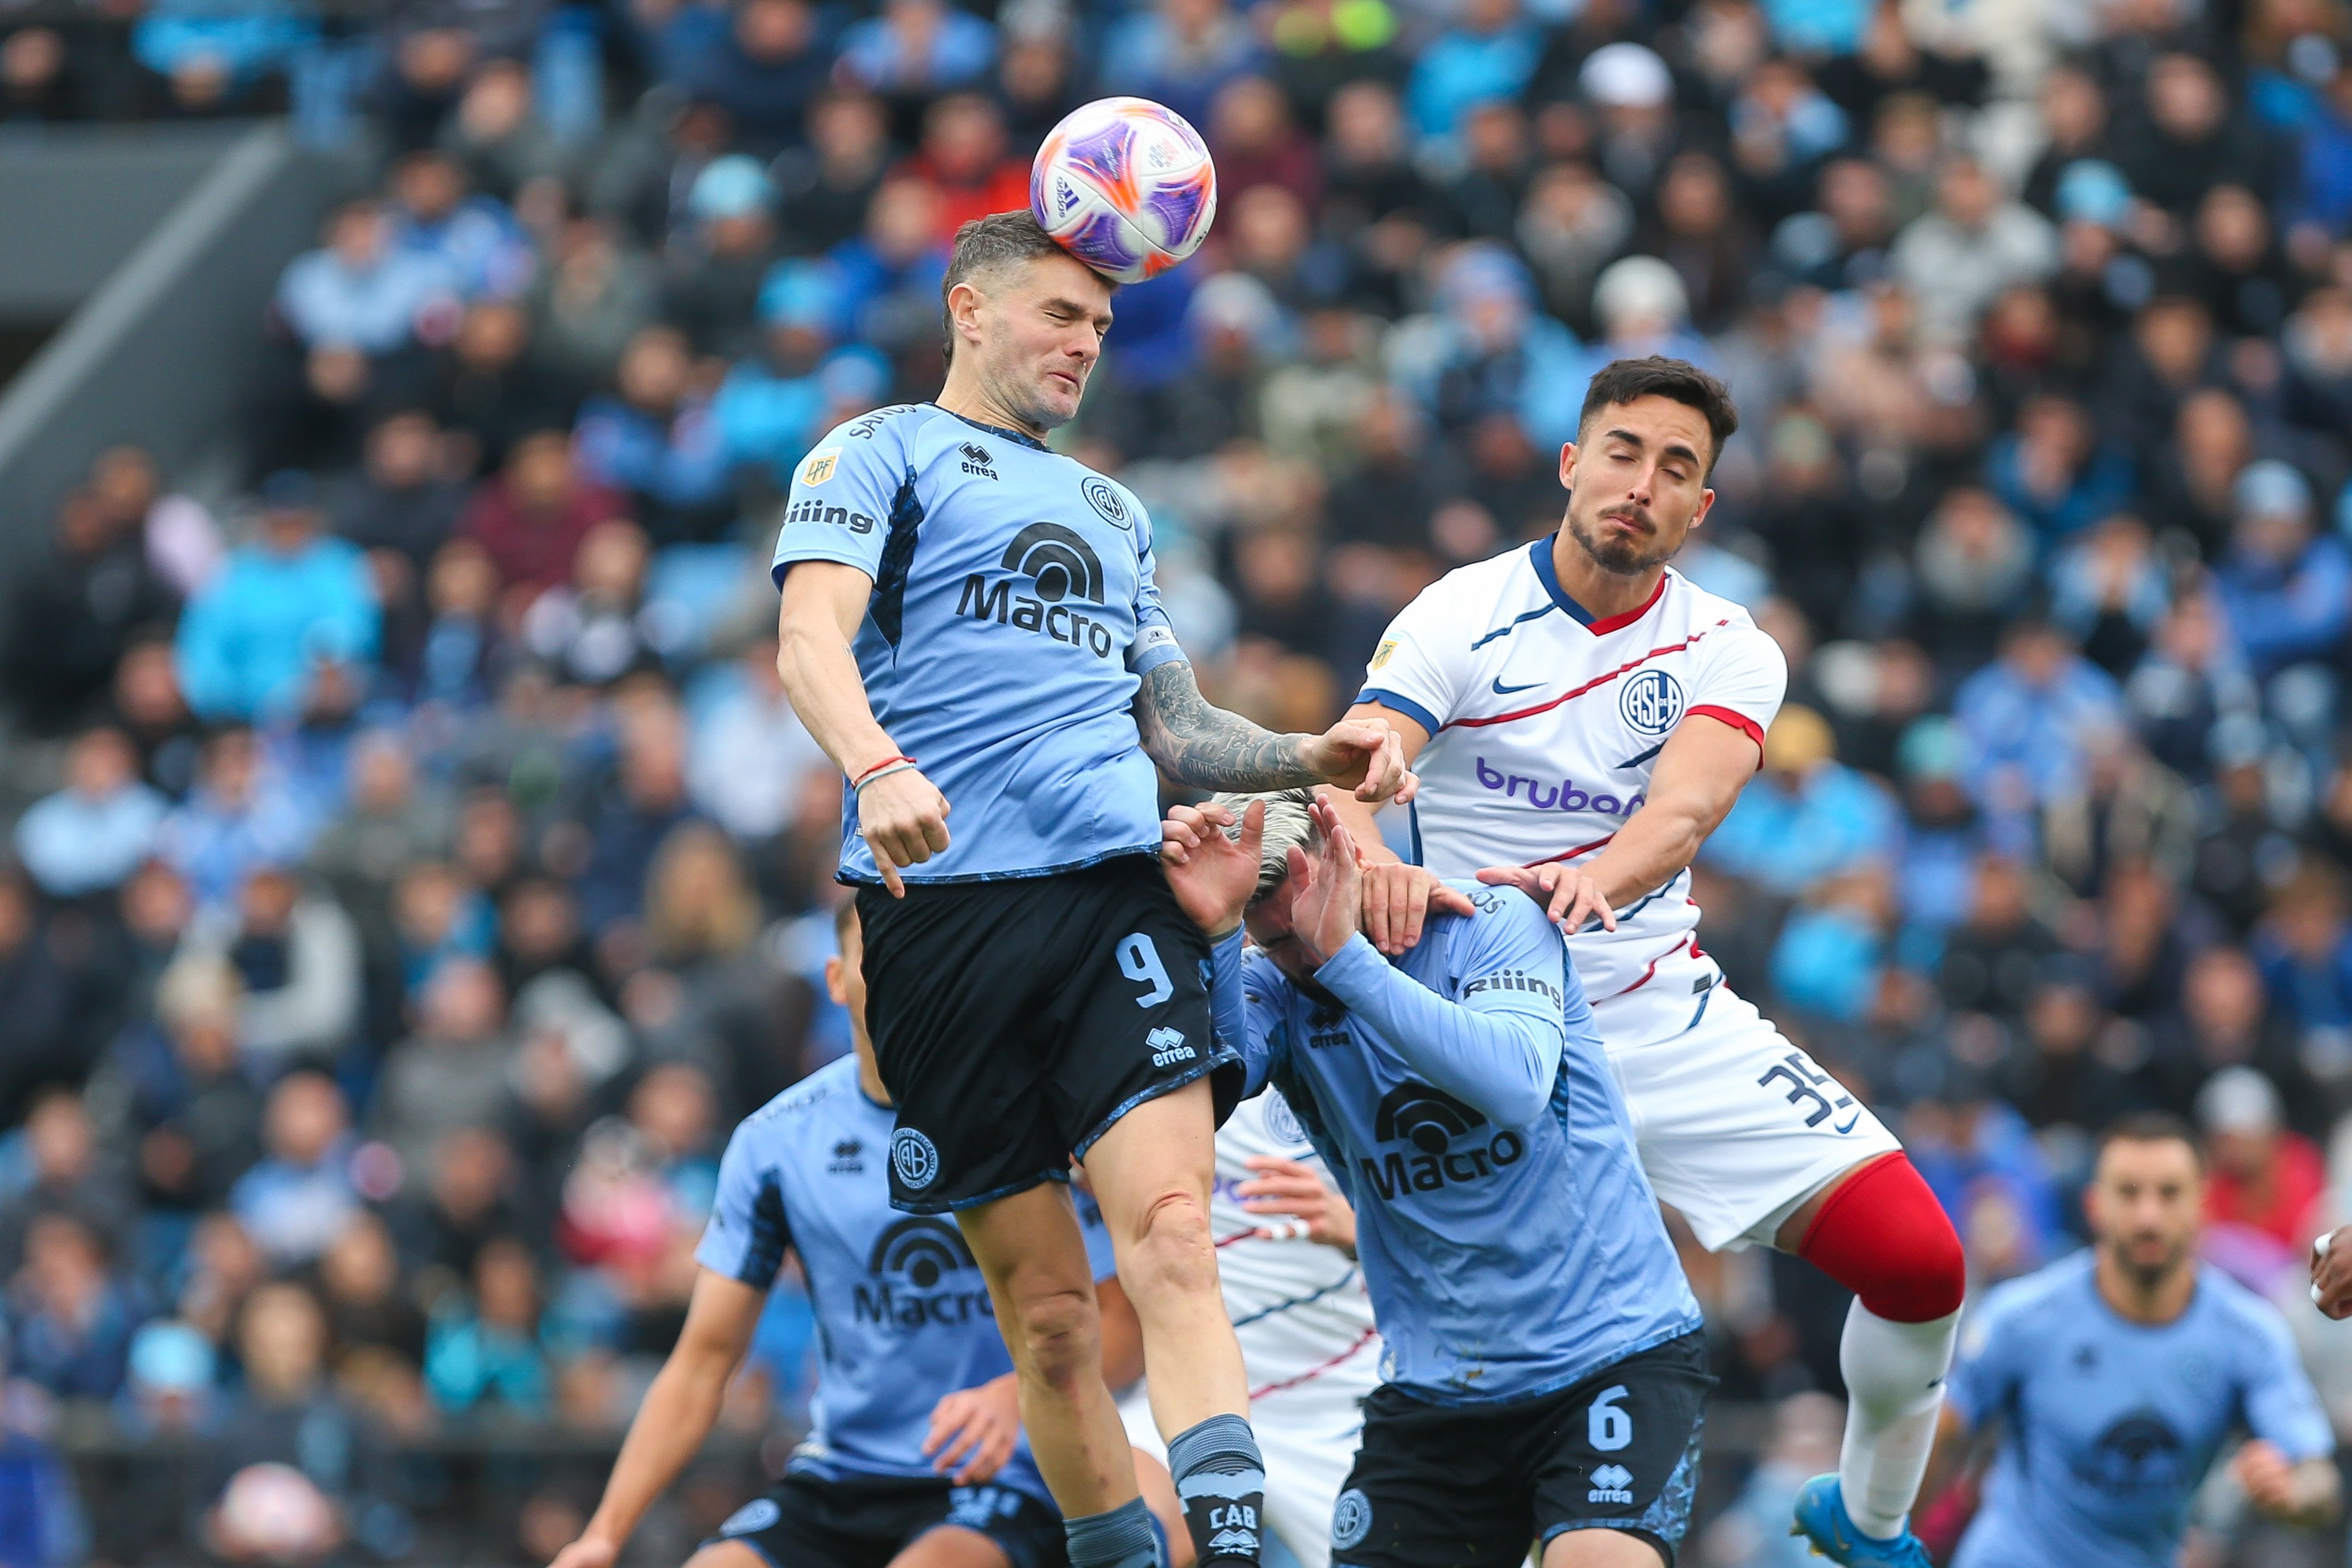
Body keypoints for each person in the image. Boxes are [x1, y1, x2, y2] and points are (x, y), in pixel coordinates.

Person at [768, 208, 1412, 1568]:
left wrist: (1310, 751)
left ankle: (1224, 1547)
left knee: (1174, 1231)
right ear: (968, 307)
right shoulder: (874, 450)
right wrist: (874, 763)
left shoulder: (1115, 509)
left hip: (1113, 899)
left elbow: (1172, 730)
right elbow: (805, 633)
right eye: (1060, 316)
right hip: (938, 912)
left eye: (1102, 329)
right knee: (1052, 1319)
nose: (1084, 347)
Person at [1321, 356, 1966, 1567]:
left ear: (1699, 509)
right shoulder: (1458, 609)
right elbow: (1357, 764)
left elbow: (1682, 813)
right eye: (1620, 450)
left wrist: (1591, 884)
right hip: (1481, 1031)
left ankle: (1867, 1522)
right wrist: (1371, 858)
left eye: (1677, 468)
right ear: (1570, 463)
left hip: (1648, 1007)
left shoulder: (1727, 644)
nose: (1641, 483)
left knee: (1920, 1259)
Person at [1156, 790, 1708, 1567]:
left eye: (1307, 929)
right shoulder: (1274, 984)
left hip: (1610, 1357)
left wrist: (1343, 954)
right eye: (1274, 939)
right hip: (1436, 1392)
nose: (1301, 960)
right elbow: (1209, 1085)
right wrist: (1214, 933)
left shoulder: (1493, 923)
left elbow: (1513, 1084)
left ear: (1347, 862)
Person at [549, 901, 1148, 1568]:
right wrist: (602, 1534)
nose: (902, 966)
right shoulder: (776, 1141)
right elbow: (702, 1363)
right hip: (842, 1473)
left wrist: (1020, 1390)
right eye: (880, 947)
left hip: (1011, 1471)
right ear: (838, 979)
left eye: (921, 947)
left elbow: (1122, 1326)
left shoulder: (1040, 1119)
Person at [1936, 1113, 2339, 1567]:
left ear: (2203, 1204)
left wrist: (2294, 1493)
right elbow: (1943, 1434)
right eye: (2129, 1192)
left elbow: (2317, 1474)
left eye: (2169, 1193)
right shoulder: (2021, 1318)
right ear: (2094, 1205)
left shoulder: (2248, 1334)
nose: (2149, 1215)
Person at [1116, 1092, 1379, 1568]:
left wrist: (1356, 1228)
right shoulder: (1130, 1069)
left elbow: (1458, 1248)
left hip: (1337, 1412)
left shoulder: (1331, 1053)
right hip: (1185, 1401)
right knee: (1137, 1540)